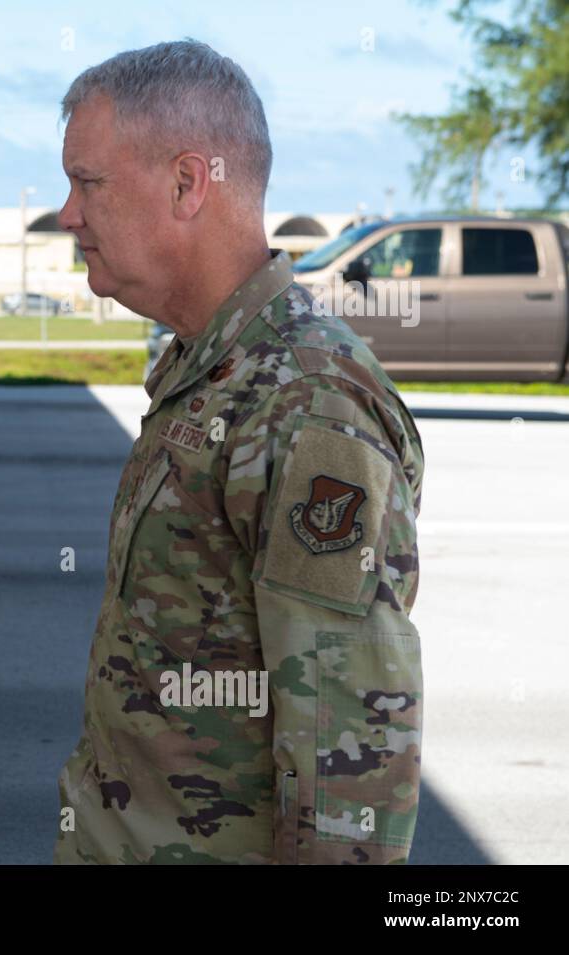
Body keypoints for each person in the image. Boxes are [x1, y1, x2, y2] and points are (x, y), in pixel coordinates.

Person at [53, 41, 424, 864]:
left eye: (88, 182)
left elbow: (347, 761)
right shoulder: (207, 365)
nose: (68, 214)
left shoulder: (305, 400)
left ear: (188, 183)